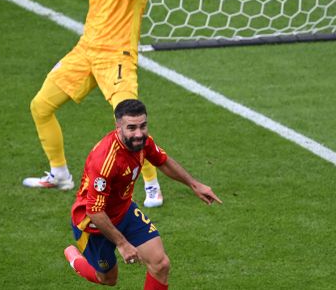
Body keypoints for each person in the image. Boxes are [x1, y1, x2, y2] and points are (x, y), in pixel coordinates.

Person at [3, 0, 166, 207]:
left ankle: (152, 184)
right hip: (86, 51)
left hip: (116, 56)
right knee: (41, 106)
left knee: (130, 121)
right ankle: (59, 173)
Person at [63, 99, 222, 289]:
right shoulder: (105, 160)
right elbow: (94, 211)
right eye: (131, 128)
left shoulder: (142, 142)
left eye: (143, 126)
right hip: (93, 224)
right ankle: (76, 260)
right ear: (118, 126)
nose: (139, 134)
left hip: (124, 211)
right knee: (108, 279)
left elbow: (162, 161)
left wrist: (194, 184)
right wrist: (122, 244)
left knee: (160, 264)